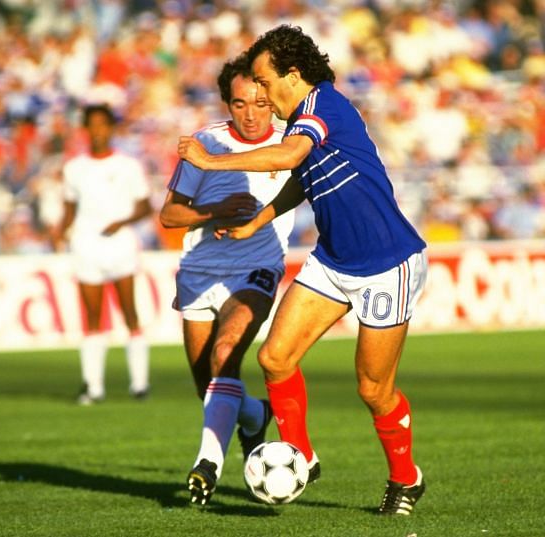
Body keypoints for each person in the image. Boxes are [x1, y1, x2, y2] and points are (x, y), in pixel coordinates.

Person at [177, 25, 428, 516]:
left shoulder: (322, 107)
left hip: (386, 263)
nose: (262, 95)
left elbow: (291, 156)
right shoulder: (302, 120)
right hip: (333, 260)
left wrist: (211, 161)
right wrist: (259, 221)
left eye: (266, 83)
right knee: (274, 359)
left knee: (373, 390)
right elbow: (301, 177)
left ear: (293, 74)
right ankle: (301, 456)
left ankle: (406, 478)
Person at [160, 53, 295, 505]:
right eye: (240, 104)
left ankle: (207, 466)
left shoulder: (291, 143)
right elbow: (170, 214)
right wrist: (214, 210)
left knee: (225, 353)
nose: (251, 114)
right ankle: (255, 416)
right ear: (227, 104)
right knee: (210, 385)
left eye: (259, 103)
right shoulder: (205, 144)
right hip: (199, 271)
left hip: (256, 268)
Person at [52, 103, 153, 405]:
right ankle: (93, 387)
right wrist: (59, 230)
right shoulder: (74, 168)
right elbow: (69, 210)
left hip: (120, 242)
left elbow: (145, 206)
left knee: (129, 312)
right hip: (86, 244)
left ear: (111, 129)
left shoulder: (128, 166)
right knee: (93, 316)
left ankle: (139, 383)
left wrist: (122, 221)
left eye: (102, 125)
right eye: (91, 125)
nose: (97, 131)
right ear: (85, 130)